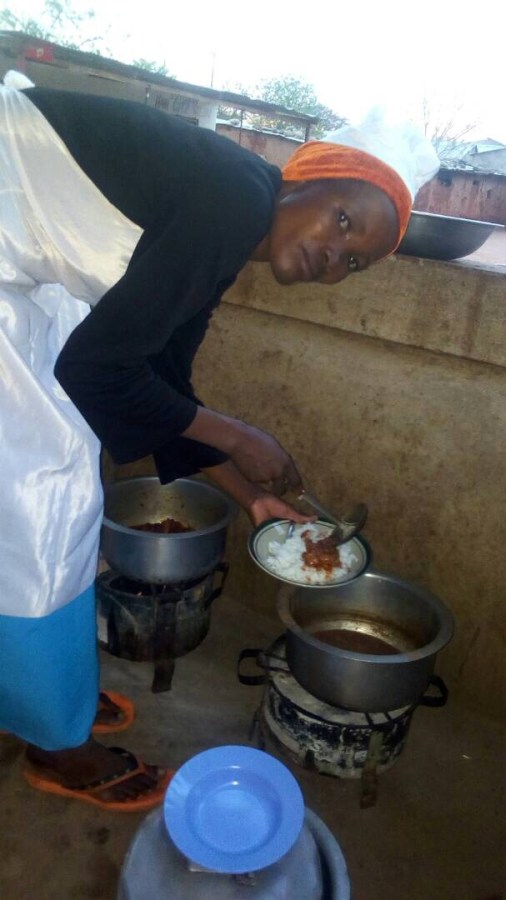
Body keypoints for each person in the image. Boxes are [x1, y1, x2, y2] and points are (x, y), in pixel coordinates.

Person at [0, 72, 439, 810]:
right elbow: (98, 370)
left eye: (354, 261)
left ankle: (41, 688)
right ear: (303, 179)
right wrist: (240, 435)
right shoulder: (231, 201)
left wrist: (250, 495)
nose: (335, 257)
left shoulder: (230, 224)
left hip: (21, 268)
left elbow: (163, 386)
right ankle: (54, 741)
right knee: (42, 506)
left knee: (45, 494)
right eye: (342, 220)